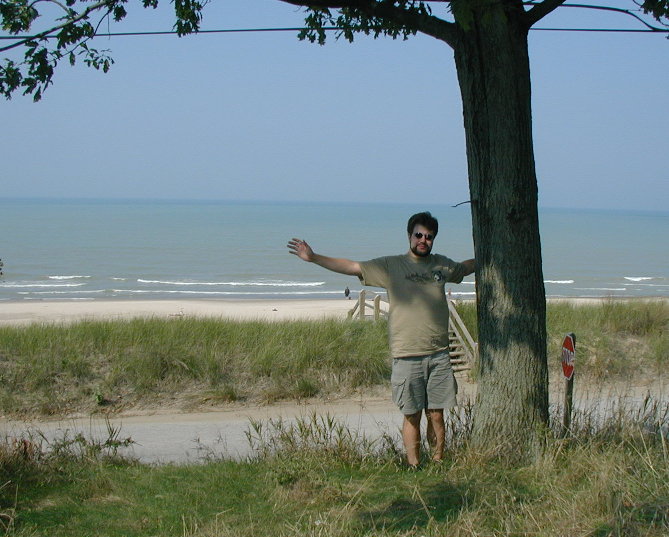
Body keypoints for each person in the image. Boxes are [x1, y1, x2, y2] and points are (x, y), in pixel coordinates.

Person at [287, 211, 475, 467]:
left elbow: (465, 268)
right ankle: (414, 466)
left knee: (437, 415)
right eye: (419, 235)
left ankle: (438, 463)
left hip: (439, 354)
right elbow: (352, 266)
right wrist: (314, 257)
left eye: (429, 237)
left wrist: (491, 255)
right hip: (406, 355)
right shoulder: (391, 266)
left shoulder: (442, 265)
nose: (423, 240)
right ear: (409, 235)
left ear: (433, 239)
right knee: (411, 415)